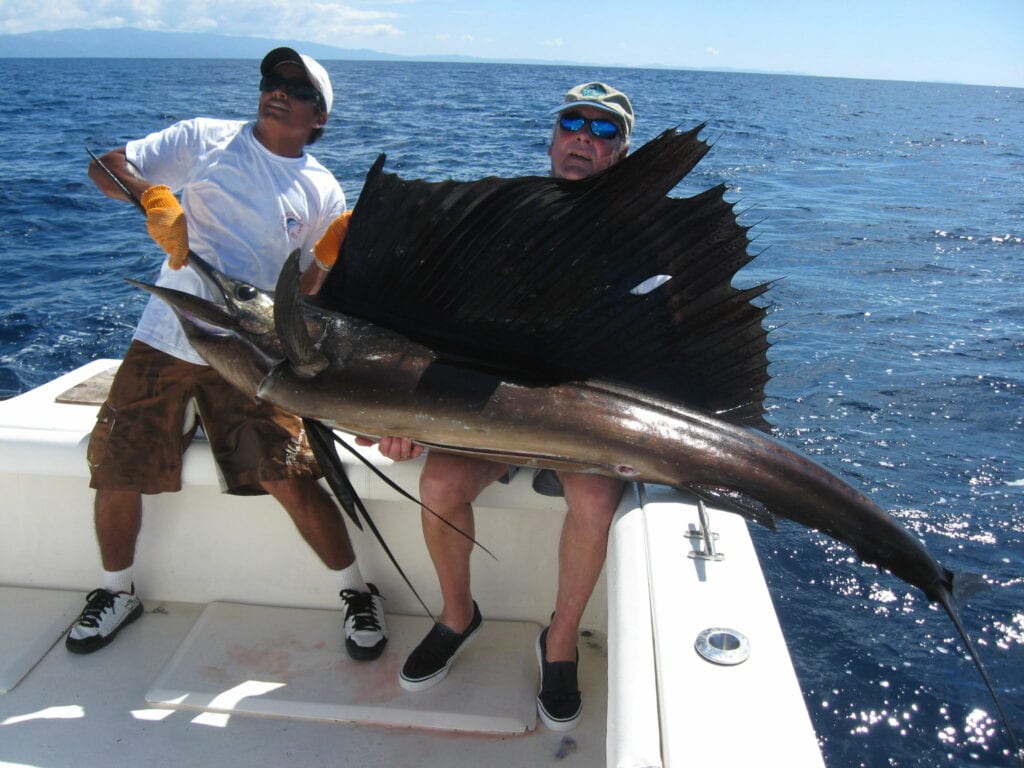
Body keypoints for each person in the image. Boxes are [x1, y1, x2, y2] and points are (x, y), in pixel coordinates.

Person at [68, 47, 388, 663]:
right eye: (272, 80)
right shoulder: (205, 139)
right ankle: (115, 591)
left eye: (295, 88)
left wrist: (325, 259)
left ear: (319, 117)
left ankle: (354, 592)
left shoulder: (322, 188)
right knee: (116, 466)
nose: (277, 91)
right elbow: (108, 168)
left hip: (251, 348)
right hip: (167, 335)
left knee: (290, 475)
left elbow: (307, 296)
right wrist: (151, 199)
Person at [364, 82, 634, 731]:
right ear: (551, 137)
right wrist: (404, 417)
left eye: (604, 132)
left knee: (596, 501)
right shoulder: (498, 215)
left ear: (621, 153)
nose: (583, 139)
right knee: (438, 482)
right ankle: (458, 614)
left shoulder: (635, 233)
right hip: (490, 407)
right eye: (573, 123)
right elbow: (436, 326)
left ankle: (559, 641)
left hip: (579, 418)